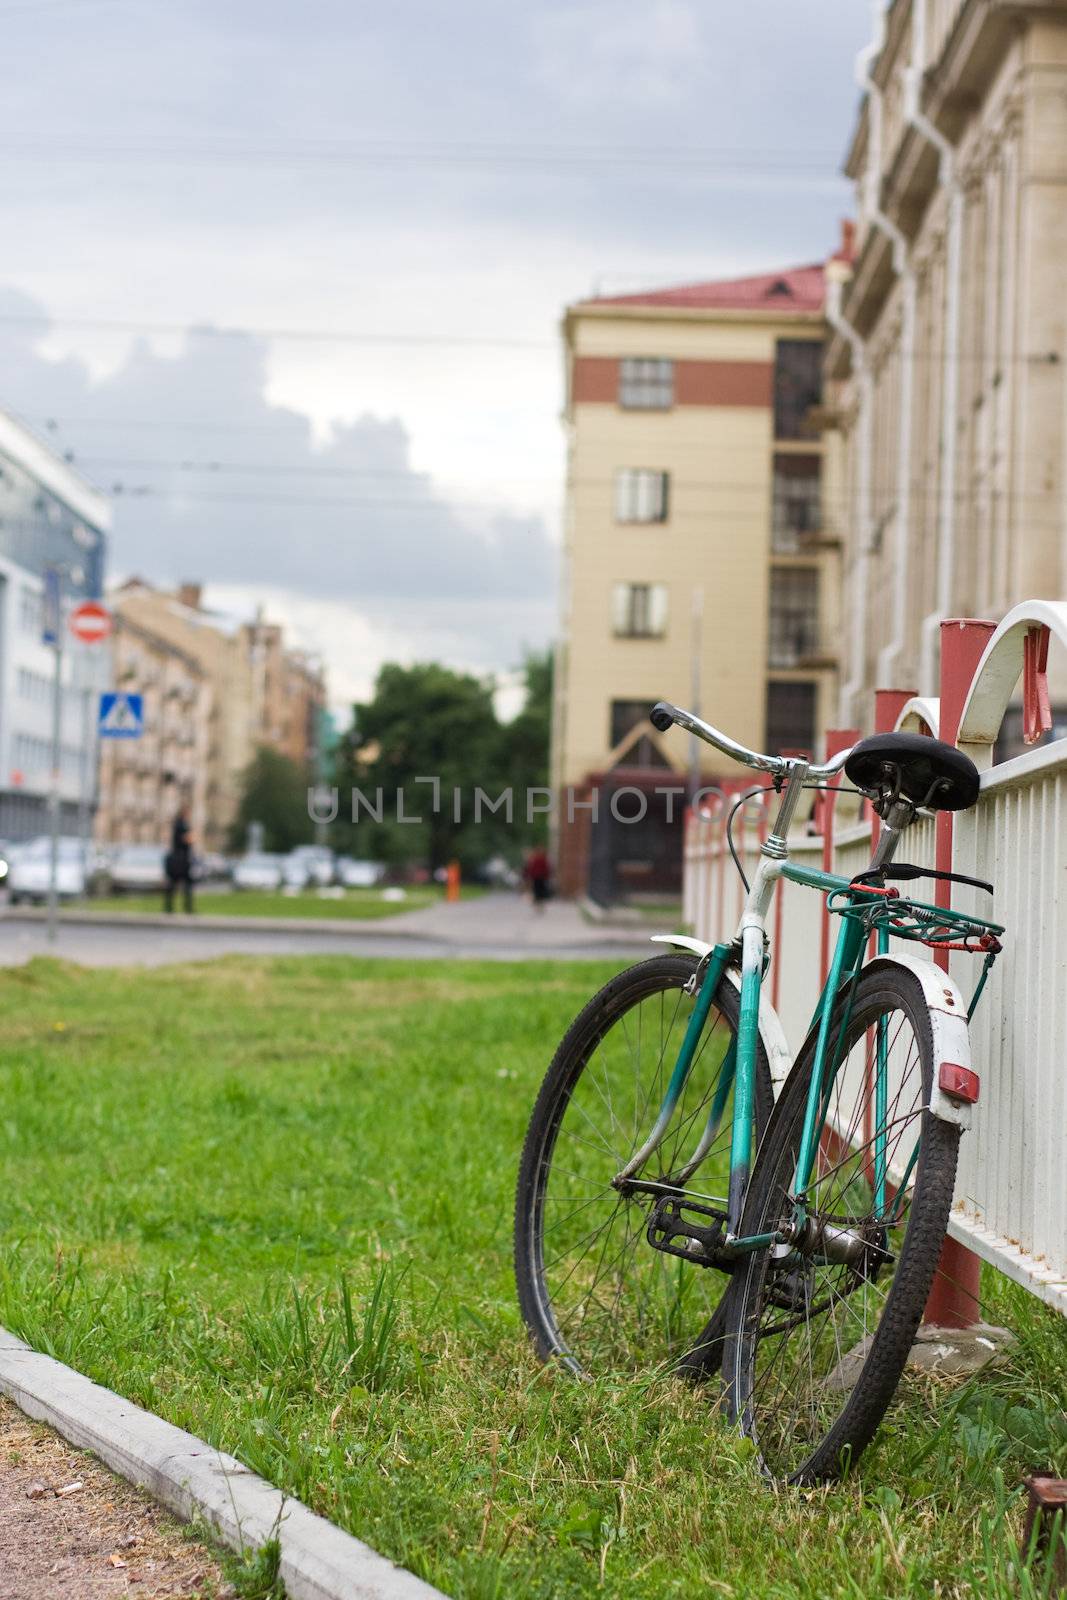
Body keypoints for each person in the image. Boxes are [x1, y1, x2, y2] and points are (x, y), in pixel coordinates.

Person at [164, 803, 195, 914]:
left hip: (181, 859)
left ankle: (176, 907)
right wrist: (190, 838)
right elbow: (187, 839)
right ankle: (181, 908)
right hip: (180, 860)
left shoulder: (181, 824)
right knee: (180, 885)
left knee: (179, 885)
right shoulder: (181, 825)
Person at [523, 845, 552, 911]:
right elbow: (531, 869)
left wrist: (547, 876)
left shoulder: (543, 859)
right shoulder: (535, 859)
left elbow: (547, 869)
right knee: (536, 891)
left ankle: (540, 904)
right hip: (536, 877)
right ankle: (537, 904)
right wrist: (529, 876)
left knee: (541, 891)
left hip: (541, 878)